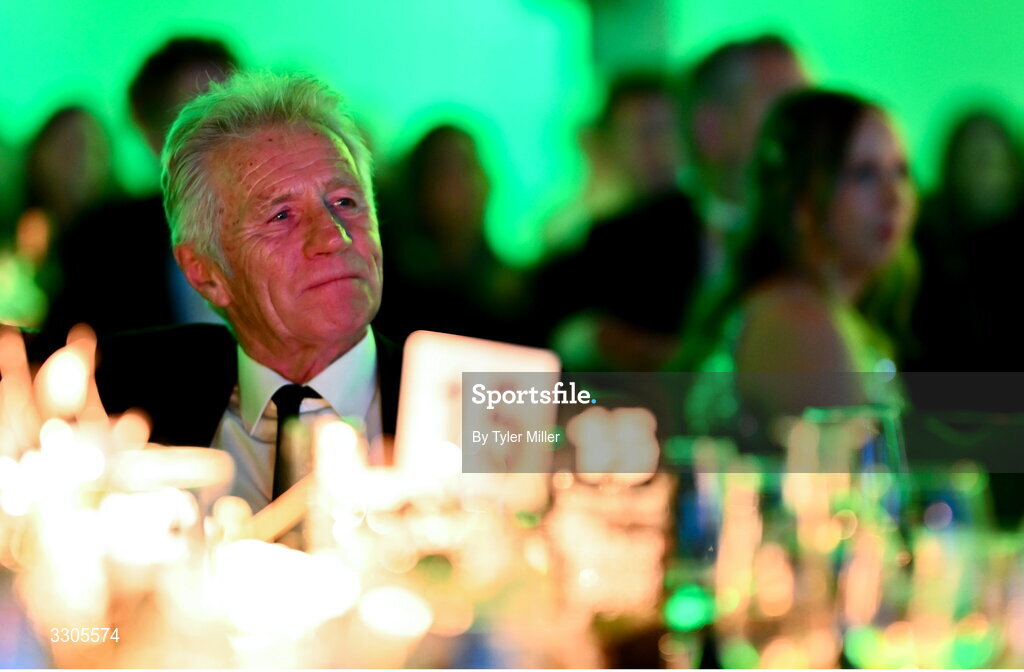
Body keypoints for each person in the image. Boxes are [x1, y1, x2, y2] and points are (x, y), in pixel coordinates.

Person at [92, 72, 400, 514]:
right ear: (205, 273)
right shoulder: (115, 386)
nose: (334, 238)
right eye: (281, 216)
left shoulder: (493, 402)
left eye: (346, 202)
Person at [678, 90, 917, 434]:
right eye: (864, 173)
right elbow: (844, 483)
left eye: (901, 171)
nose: (894, 198)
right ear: (802, 198)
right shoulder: (799, 324)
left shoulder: (808, 309)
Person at [41, 37, 237, 343]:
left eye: (240, 112)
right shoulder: (103, 245)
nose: (232, 134)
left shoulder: (306, 223)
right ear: (152, 136)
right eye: (199, 120)